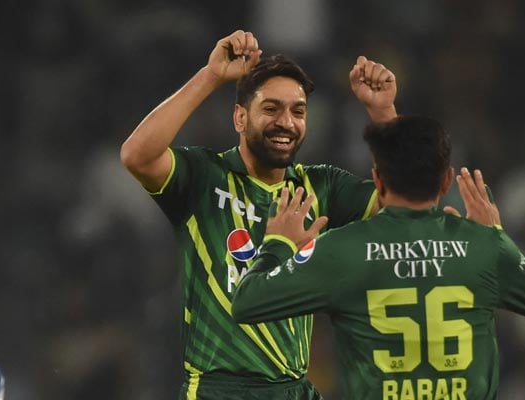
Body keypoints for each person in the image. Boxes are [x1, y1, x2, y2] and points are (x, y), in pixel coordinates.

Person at [120, 30, 397, 399]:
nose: (286, 122)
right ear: (239, 117)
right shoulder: (204, 176)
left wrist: (382, 113)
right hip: (220, 389)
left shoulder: (320, 187)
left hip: (293, 388)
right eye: (271, 109)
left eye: (298, 111)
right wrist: (211, 76)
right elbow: (136, 155)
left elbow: (401, 202)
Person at [232, 115, 525, 400]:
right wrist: (496, 237)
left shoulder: (340, 249)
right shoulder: (484, 247)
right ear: (446, 179)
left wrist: (278, 244)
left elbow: (247, 302)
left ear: (377, 180)